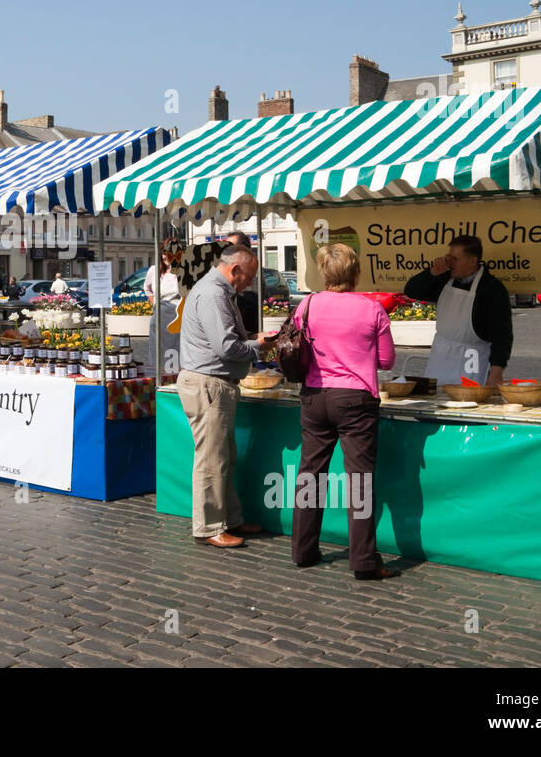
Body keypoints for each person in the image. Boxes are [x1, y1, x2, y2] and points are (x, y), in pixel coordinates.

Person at [291, 243, 397, 581]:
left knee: (310, 474)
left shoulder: (306, 304)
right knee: (360, 482)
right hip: (355, 399)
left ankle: (303, 550)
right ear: (355, 273)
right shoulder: (372, 310)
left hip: (314, 396)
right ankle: (364, 560)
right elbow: (386, 360)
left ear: (324, 273)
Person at [177, 245, 277, 548]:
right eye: (249, 277)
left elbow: (226, 343)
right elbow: (225, 347)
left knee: (224, 458)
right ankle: (208, 528)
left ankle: (230, 519)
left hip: (214, 384)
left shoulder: (217, 291)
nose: (250, 283)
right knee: (211, 461)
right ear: (235, 270)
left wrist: (251, 342)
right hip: (209, 384)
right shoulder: (213, 293)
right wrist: (257, 346)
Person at [404, 234, 512, 387]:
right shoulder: (444, 279)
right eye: (448, 257)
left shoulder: (492, 289)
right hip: (441, 357)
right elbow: (411, 290)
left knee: (468, 403)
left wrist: (496, 371)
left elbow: (502, 335)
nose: (450, 263)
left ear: (473, 260)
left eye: (455, 259)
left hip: (472, 361)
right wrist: (432, 273)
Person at [143, 246, 182, 374]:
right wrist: (154, 303)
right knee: (157, 353)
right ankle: (157, 381)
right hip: (159, 318)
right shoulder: (154, 271)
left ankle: (174, 381)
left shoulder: (183, 271)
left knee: (176, 353)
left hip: (177, 319)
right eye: (164, 254)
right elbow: (147, 289)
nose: (166, 257)